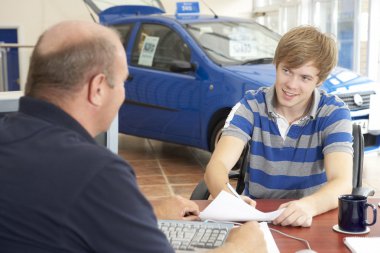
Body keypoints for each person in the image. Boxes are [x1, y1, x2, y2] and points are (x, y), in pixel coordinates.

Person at [0, 20, 267, 253]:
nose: (124, 96)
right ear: (98, 88)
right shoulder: (95, 171)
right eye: (124, 81)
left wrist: (141, 210)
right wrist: (241, 247)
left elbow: (50, 207)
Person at [204, 25, 353, 227]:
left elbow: (342, 182)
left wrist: (308, 206)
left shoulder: (334, 112)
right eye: (286, 71)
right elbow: (217, 166)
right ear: (276, 64)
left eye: (305, 77)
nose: (291, 84)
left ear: (320, 80)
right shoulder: (251, 105)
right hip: (256, 218)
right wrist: (230, 199)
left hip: (311, 216)